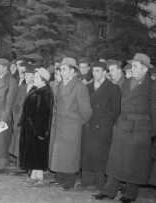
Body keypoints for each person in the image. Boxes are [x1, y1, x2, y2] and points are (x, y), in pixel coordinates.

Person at [93, 53, 155, 203]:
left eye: (134, 66)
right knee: (115, 161)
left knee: (134, 163)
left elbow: (154, 110)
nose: (131, 69)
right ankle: (109, 191)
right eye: (132, 65)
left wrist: (150, 133)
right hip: (122, 126)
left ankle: (130, 194)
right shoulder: (127, 83)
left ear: (144, 69)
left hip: (140, 129)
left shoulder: (152, 87)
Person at [49, 57, 92, 190]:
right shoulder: (58, 85)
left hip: (71, 125)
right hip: (58, 124)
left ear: (73, 71)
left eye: (64, 70)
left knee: (69, 155)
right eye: (61, 70)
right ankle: (59, 177)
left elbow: (86, 111)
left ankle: (69, 180)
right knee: (58, 152)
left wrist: (77, 122)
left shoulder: (79, 87)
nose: (62, 73)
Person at [80, 61, 121, 190]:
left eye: (98, 71)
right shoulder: (88, 87)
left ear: (104, 72)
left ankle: (99, 183)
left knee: (101, 156)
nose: (95, 73)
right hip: (89, 124)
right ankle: (86, 181)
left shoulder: (113, 88)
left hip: (103, 127)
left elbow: (116, 110)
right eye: (93, 71)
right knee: (87, 153)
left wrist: (105, 122)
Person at [19, 67, 54, 186]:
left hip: (37, 128)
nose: (34, 79)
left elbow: (44, 114)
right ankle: (37, 175)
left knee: (36, 152)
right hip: (30, 127)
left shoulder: (44, 93)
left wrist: (40, 131)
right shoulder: (37, 90)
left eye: (37, 78)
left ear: (44, 80)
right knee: (34, 152)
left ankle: (35, 175)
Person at [9, 62, 34, 175]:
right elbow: (16, 104)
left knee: (29, 144)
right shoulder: (22, 87)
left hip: (30, 121)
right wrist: (16, 117)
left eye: (27, 74)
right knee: (19, 143)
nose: (24, 75)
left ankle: (29, 167)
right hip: (19, 119)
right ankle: (20, 166)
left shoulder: (36, 88)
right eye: (24, 73)